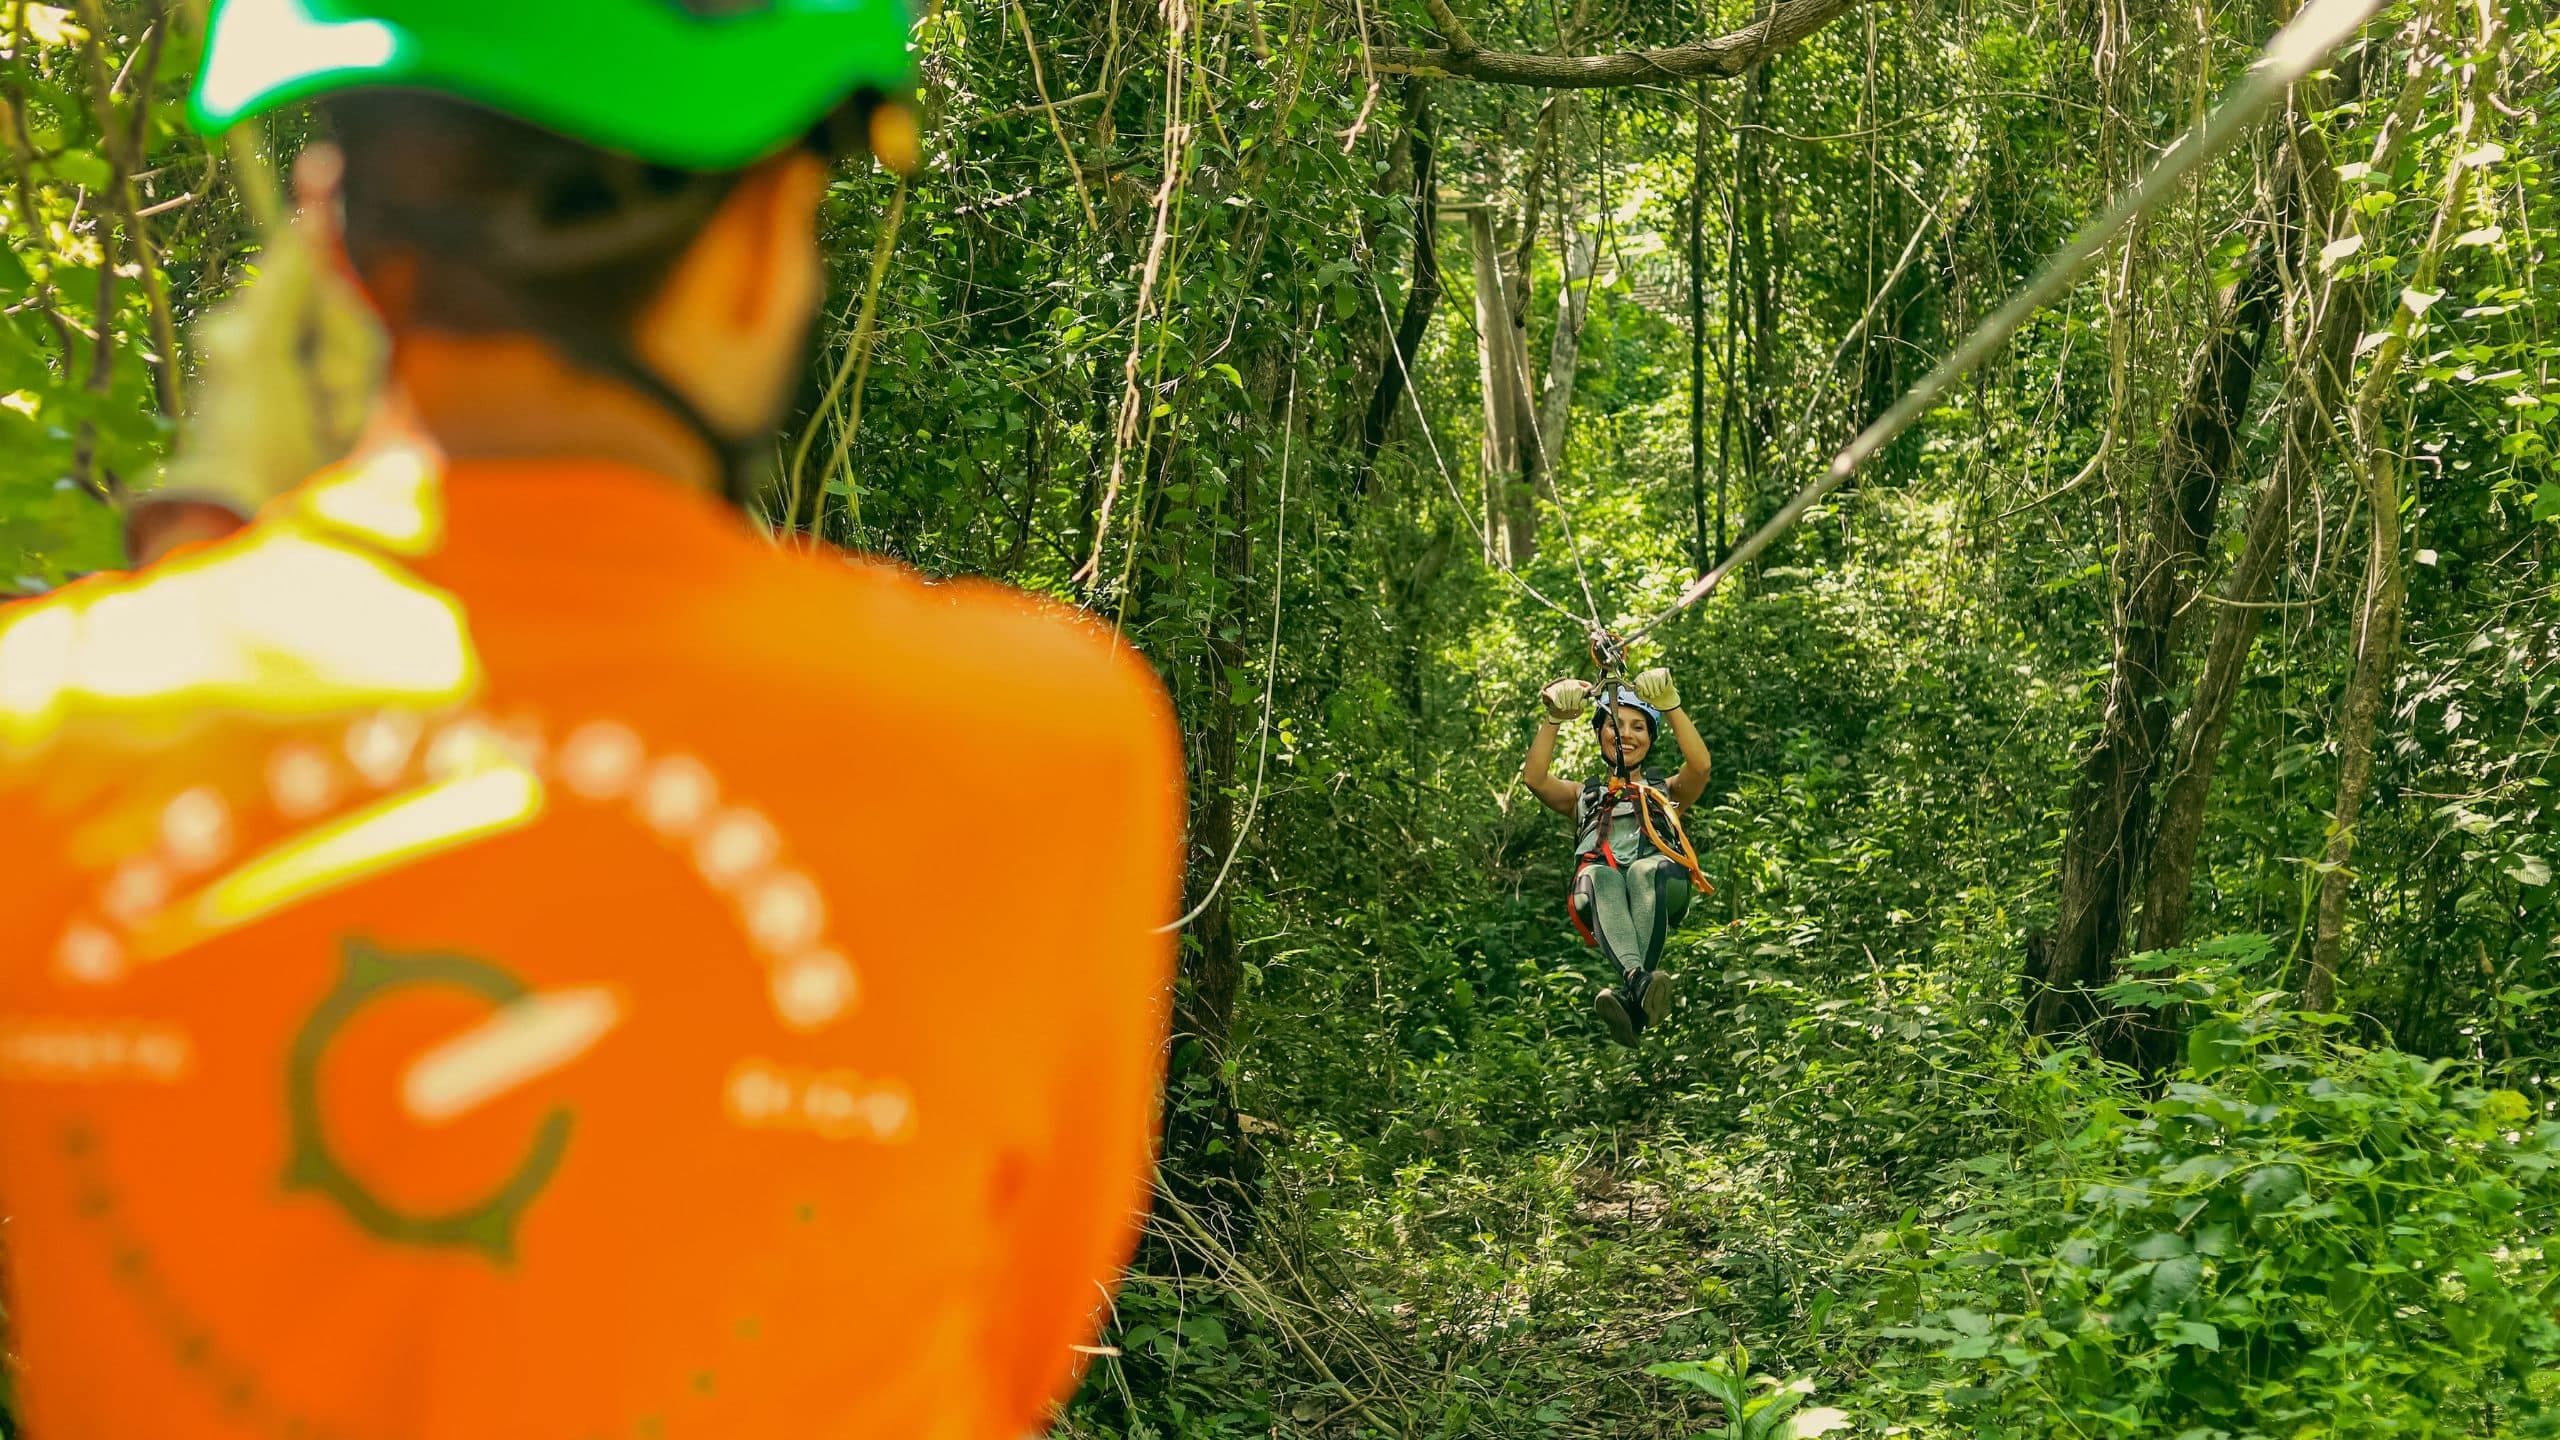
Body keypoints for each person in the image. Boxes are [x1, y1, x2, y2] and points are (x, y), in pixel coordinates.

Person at [0, 3, 1183, 1438]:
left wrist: (194, 579)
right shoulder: (1041, 741)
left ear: (334, 239)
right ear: (758, 247)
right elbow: (1000, 1351)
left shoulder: (48, 718)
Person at [1520, 668, 1711, 1046]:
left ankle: (1633, 985)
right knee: (1599, 874)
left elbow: (1700, 767)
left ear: (1650, 738)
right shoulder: (1585, 796)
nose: (1625, 733)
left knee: (1641, 871)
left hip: (1661, 883)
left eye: (1638, 726)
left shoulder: (1665, 789)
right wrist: (1553, 719)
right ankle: (1638, 990)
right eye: (1615, 724)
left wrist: (1671, 705)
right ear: (1599, 733)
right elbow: (1535, 779)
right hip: (1598, 892)